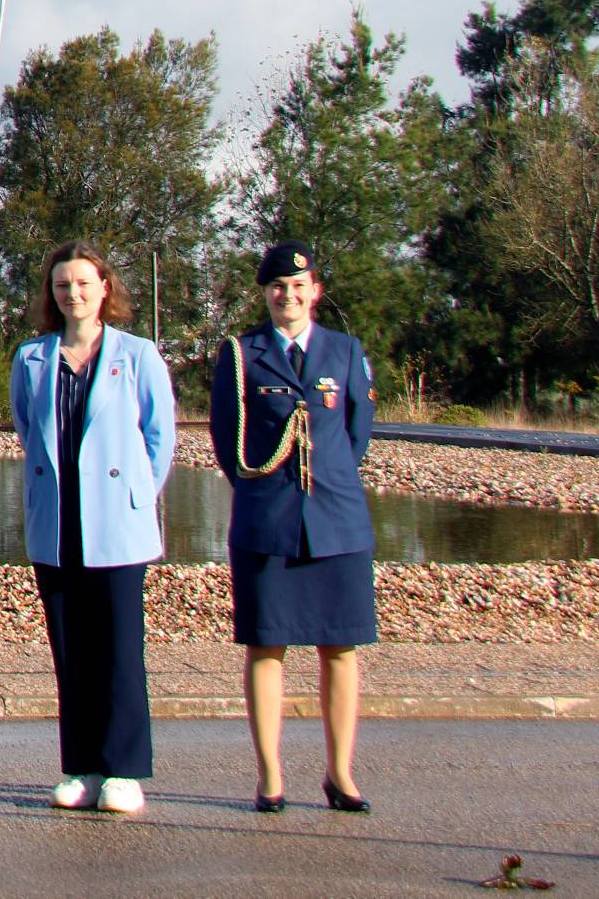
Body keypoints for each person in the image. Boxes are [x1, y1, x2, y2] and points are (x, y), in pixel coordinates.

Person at [8, 242, 176, 816]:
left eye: (82, 283)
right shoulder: (32, 358)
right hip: (57, 525)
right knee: (70, 652)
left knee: (121, 651)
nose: (72, 294)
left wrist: (133, 497)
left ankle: (125, 770)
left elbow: (160, 437)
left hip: (117, 527)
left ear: (105, 288)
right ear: (51, 295)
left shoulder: (139, 355)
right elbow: (31, 433)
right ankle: (81, 766)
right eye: (62, 285)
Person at [210, 240, 378, 815]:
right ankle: (271, 777)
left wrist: (321, 483)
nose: (289, 295)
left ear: (316, 292)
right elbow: (227, 441)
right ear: (265, 293)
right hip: (268, 520)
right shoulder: (241, 355)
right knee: (265, 647)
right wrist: (267, 492)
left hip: (336, 521)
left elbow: (354, 435)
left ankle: (340, 774)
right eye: (278, 287)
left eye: (299, 287)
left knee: (341, 649)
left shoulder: (346, 352)